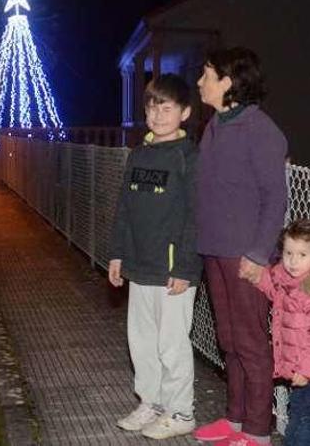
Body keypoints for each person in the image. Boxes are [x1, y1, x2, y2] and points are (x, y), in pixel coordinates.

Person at [193, 47, 288, 446]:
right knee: (228, 338)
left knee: (250, 341)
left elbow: (275, 198)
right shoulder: (215, 123)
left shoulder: (261, 130)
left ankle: (257, 430)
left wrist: (257, 255)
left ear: (228, 83)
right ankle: (234, 420)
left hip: (244, 253)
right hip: (215, 247)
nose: (200, 82)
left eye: (207, 75)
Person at [108, 73, 203, 440]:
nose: (158, 113)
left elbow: (197, 216)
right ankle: (153, 402)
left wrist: (185, 267)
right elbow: (125, 209)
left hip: (172, 271)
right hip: (139, 265)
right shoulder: (140, 153)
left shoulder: (189, 157)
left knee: (172, 343)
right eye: (152, 105)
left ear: (185, 112)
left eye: (167, 106)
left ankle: (181, 411)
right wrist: (117, 254)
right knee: (142, 341)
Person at [246, 219, 310, 446]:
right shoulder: (287, 280)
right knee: (298, 418)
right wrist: (255, 274)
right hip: (303, 372)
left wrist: (307, 370)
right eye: (288, 253)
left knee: (308, 422)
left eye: (302, 255)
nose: (293, 261)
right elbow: (272, 286)